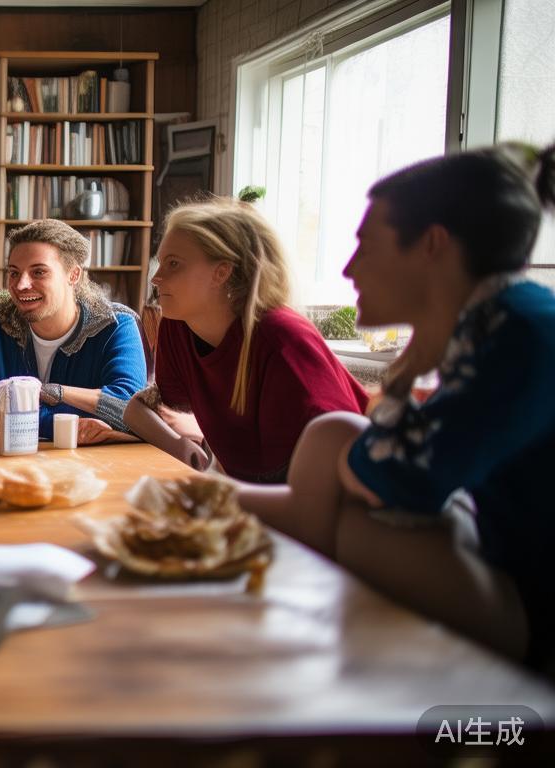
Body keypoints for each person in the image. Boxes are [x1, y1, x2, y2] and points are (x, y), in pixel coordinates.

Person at [237, 143, 555, 667]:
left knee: (354, 520)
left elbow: (405, 481)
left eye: (365, 244)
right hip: (508, 569)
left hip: (535, 617)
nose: (348, 267)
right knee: (340, 455)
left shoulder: (516, 333)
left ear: (433, 244)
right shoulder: (499, 320)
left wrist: (402, 380)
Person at [124, 198, 368, 482]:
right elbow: (145, 408)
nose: (156, 278)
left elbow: (340, 468)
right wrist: (178, 446)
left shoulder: (282, 339)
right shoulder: (178, 327)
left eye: (174, 264)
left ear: (221, 272)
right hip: (271, 501)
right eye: (161, 263)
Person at [0, 219, 146, 444]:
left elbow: (128, 408)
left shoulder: (116, 324)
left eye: (38, 272)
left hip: (91, 467)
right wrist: (61, 424)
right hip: (5, 459)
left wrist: (51, 393)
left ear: (73, 275)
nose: (20, 285)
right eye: (14, 273)